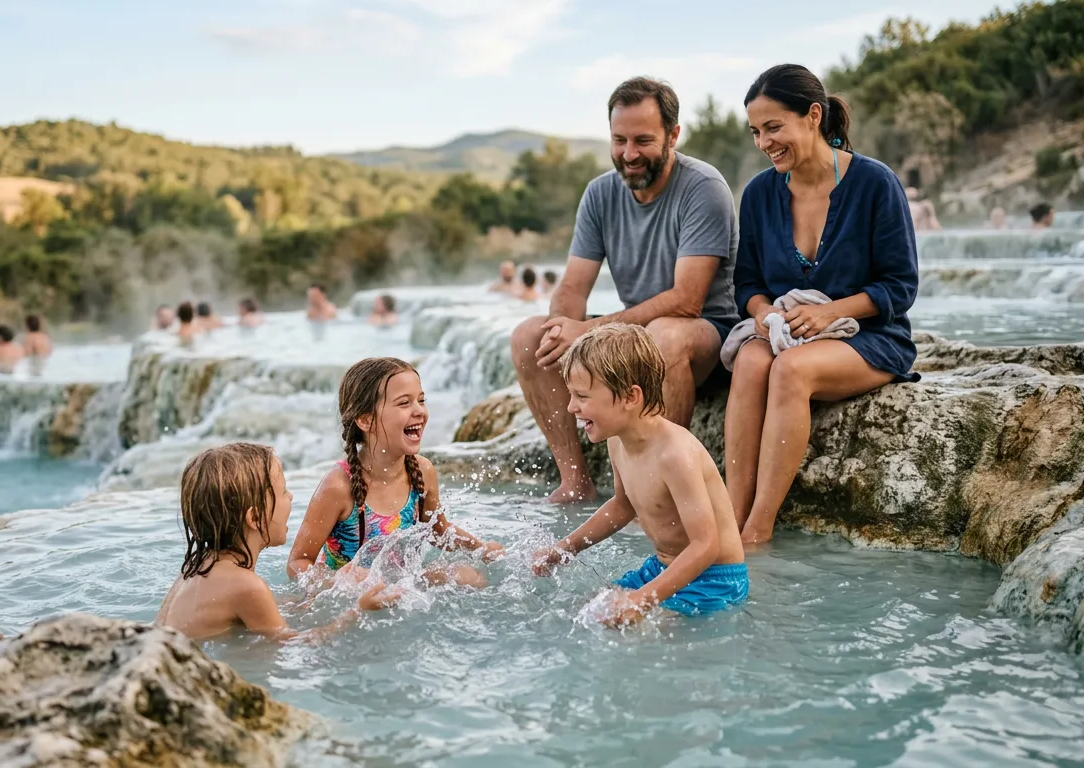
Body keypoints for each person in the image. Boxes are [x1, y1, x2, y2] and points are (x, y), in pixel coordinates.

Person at [509, 75, 739, 503]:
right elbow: (573, 287)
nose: (629, 154)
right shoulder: (599, 194)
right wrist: (563, 327)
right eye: (619, 140)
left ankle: (658, 493)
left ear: (673, 135)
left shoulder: (703, 188)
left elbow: (687, 300)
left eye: (643, 141)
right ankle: (575, 481)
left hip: (705, 333)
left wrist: (591, 331)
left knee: (664, 336)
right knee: (529, 336)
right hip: (637, 333)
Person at [727, 63, 919, 545]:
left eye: (774, 127)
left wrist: (831, 312)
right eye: (756, 131)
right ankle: (728, 519)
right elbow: (747, 284)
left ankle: (757, 530)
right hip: (785, 328)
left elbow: (900, 286)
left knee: (790, 370)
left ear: (813, 116)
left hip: (871, 336)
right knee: (751, 362)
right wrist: (764, 313)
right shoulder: (757, 194)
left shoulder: (875, 183)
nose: (764, 142)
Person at [530, 324, 747, 626]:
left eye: (582, 396)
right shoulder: (617, 440)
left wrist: (643, 599)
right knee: (579, 612)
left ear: (631, 397)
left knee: (622, 626)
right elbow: (623, 505)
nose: (571, 407)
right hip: (661, 568)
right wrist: (563, 549)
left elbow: (705, 545)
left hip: (715, 581)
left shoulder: (675, 455)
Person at [286, 357, 503, 586]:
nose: (419, 411)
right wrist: (340, 581)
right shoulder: (339, 487)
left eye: (421, 400)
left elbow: (438, 531)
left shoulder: (422, 471)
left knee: (467, 577)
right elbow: (297, 562)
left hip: (402, 586)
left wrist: (483, 550)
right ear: (366, 420)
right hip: (354, 599)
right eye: (404, 403)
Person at [155, 442, 401, 643]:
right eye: (283, 491)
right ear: (254, 517)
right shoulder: (247, 586)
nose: (290, 497)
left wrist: (325, 591)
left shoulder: (196, 567)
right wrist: (357, 611)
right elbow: (293, 644)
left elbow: (252, 612)